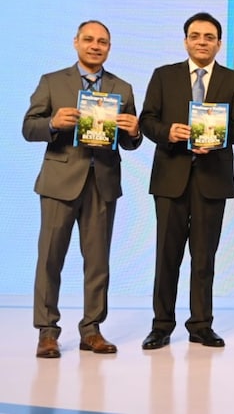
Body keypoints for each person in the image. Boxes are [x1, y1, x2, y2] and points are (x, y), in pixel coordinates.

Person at [23, 20, 142, 358]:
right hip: (60, 182)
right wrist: (51, 124)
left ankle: (92, 329)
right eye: (88, 39)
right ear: (76, 42)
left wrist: (134, 132)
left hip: (102, 183)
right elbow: (28, 127)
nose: (95, 45)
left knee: (98, 261)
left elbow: (130, 142)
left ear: (109, 47)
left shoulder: (123, 87)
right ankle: (47, 332)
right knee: (50, 259)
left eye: (102, 41)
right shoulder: (52, 82)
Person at [138, 12, 234, 350]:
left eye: (209, 37)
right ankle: (161, 325)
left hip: (212, 177)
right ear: (186, 40)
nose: (202, 42)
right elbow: (147, 120)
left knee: (204, 258)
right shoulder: (164, 76)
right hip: (171, 176)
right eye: (196, 36)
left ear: (218, 43)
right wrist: (168, 133)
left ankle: (201, 324)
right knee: (166, 256)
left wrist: (220, 136)